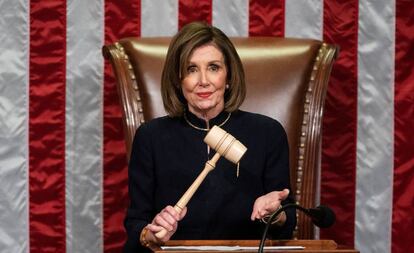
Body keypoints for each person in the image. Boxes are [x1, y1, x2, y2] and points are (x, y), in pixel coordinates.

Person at [123, 22, 296, 252]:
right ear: (178, 79)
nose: (203, 80)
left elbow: (288, 223)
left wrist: (274, 214)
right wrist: (150, 233)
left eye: (213, 67)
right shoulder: (151, 137)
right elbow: (136, 223)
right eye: (191, 69)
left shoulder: (268, 133)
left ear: (229, 77)